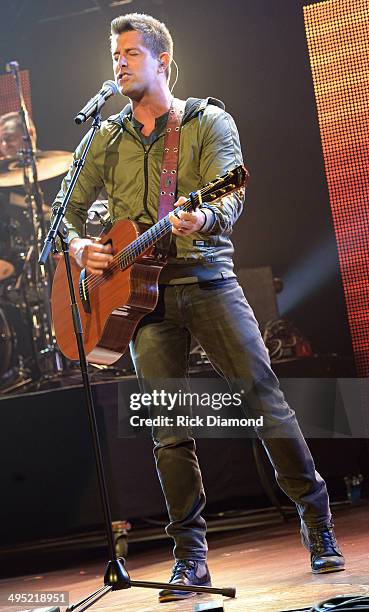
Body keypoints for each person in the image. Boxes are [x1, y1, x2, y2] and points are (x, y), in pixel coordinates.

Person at [52, 12, 345, 603]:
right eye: (116, 55)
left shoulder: (209, 121)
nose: (120, 63)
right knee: (169, 432)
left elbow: (229, 192)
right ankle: (190, 558)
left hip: (205, 281)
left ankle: (318, 525)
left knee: (264, 404)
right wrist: (83, 248)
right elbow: (67, 213)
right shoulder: (104, 137)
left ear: (163, 59)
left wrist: (203, 215)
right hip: (141, 303)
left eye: (132, 54)